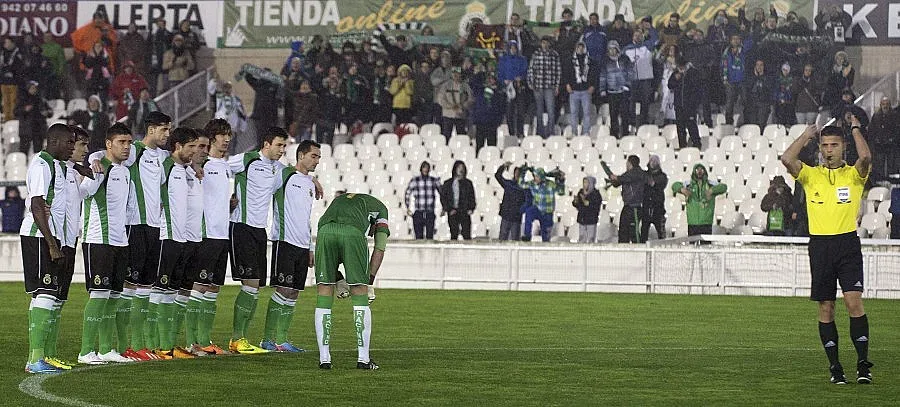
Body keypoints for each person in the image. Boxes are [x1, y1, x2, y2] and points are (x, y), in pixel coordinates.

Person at [781, 123, 874, 385]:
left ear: (843, 147)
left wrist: (855, 130)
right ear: (820, 148)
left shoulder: (853, 175)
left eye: (834, 145)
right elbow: (787, 159)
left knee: (853, 302)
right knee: (826, 307)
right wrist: (806, 136)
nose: (829, 150)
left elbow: (866, 157)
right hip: (820, 246)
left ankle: (863, 365)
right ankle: (835, 367)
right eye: (825, 145)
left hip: (847, 243)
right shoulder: (811, 175)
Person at [103, 110, 171, 362]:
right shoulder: (134, 151)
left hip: (154, 227)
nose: (167, 134)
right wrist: (94, 162)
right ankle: (123, 346)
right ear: (151, 129)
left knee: (145, 288)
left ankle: (139, 345)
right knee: (128, 287)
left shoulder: (160, 156)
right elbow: (104, 155)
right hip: (135, 225)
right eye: (164, 129)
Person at [77, 123, 135, 365]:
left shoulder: (126, 172)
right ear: (109, 144)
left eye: (129, 142)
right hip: (98, 240)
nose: (127, 147)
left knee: (114, 296)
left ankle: (105, 349)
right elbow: (82, 194)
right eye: (122, 142)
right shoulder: (99, 167)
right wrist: (93, 169)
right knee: (99, 295)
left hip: (120, 241)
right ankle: (85, 351)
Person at [227, 127, 288, 354]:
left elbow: (296, 175)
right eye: (279, 145)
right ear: (266, 144)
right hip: (241, 227)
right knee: (250, 285)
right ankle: (236, 339)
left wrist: (313, 180)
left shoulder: (279, 169)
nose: (282, 150)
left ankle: (241, 339)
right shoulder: (247, 160)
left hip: (259, 230)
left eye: (284, 146)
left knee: (255, 288)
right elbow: (217, 168)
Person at [20, 123, 75, 374]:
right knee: (45, 293)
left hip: (51, 237)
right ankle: (35, 360)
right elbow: (37, 204)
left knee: (45, 295)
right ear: (54, 141)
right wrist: (52, 244)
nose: (72, 147)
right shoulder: (42, 165)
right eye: (69, 142)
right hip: (39, 236)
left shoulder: (57, 166)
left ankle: (41, 356)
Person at [314, 192, 389, 370]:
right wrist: (369, 281)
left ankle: (324, 359)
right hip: (353, 234)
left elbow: (325, 236)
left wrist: (337, 278)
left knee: (324, 293)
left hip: (324, 232)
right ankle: (363, 359)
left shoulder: (339, 202)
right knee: (359, 296)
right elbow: (380, 247)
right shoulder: (381, 209)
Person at [260, 140, 320, 353]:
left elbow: (306, 218)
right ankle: (267, 339)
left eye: (319, 157)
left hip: (303, 245)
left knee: (294, 292)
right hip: (285, 241)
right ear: (301, 155)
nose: (317, 161)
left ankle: (282, 340)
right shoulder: (284, 175)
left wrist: (310, 247)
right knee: (283, 289)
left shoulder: (310, 184)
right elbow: (262, 189)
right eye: (313, 156)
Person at [146, 127, 200, 360]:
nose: (194, 151)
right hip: (165, 237)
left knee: (170, 293)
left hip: (181, 238)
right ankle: (151, 346)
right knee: (157, 291)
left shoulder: (186, 170)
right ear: (178, 146)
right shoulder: (164, 166)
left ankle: (167, 345)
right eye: (191, 147)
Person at [183, 119, 234, 356]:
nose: (227, 139)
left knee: (213, 289)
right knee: (199, 286)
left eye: (229, 135)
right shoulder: (198, 165)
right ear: (212, 139)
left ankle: (205, 340)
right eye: (222, 135)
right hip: (206, 234)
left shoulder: (226, 166)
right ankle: (191, 342)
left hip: (222, 234)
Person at [47, 127, 91, 370]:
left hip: (70, 241)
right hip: (56, 242)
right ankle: (40, 355)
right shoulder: (54, 169)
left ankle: (49, 353)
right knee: (47, 297)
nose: (82, 149)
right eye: (79, 144)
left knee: (59, 300)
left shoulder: (72, 172)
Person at [671, 164, 727, 235]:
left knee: (705, 242)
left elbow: (724, 187)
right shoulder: (688, 185)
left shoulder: (710, 184)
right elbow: (674, 186)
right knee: (693, 242)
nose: (699, 172)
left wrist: (712, 190)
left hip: (706, 222)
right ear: (694, 171)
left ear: (705, 171)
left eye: (701, 170)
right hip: (692, 223)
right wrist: (682, 189)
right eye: (697, 169)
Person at [527, 36, 561, 138]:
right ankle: (540, 132)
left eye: (546, 43)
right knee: (539, 111)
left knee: (551, 111)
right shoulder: (536, 54)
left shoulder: (554, 55)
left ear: (549, 44)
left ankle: (550, 132)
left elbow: (558, 71)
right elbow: (531, 69)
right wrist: (530, 82)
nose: (545, 45)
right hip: (538, 86)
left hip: (550, 86)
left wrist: (557, 86)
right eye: (543, 43)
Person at [520, 167, 565, 242]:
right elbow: (521, 184)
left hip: (547, 213)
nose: (535, 178)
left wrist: (561, 181)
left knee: (546, 235)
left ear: (541, 177)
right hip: (537, 209)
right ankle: (527, 236)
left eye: (537, 176)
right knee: (529, 211)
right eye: (535, 176)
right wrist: (524, 171)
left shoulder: (550, 184)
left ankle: (545, 243)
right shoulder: (532, 183)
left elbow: (561, 192)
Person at [623, 30, 657, 127]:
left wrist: (649, 28)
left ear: (643, 37)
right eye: (635, 35)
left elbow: (656, 39)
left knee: (645, 101)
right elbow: (622, 63)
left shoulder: (647, 46)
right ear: (632, 37)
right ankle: (632, 123)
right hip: (633, 79)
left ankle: (643, 123)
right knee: (632, 101)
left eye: (639, 35)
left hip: (645, 79)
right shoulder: (627, 49)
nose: (637, 37)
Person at [598, 40, 632, 138]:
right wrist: (602, 89)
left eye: (614, 49)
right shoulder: (605, 61)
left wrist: (627, 85)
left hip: (623, 91)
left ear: (617, 49)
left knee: (625, 114)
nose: (612, 51)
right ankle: (614, 135)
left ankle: (625, 134)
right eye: (610, 49)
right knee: (613, 115)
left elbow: (630, 72)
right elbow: (603, 76)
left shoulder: (625, 59)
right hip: (612, 92)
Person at [610, 155, 647, 243]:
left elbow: (625, 178)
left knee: (634, 231)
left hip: (635, 206)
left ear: (629, 163)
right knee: (623, 230)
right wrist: (614, 179)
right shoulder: (628, 174)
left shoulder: (638, 173)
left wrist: (616, 178)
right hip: (628, 206)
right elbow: (618, 183)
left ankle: (638, 248)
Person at [668, 57, 702, 149]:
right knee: (680, 128)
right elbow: (670, 85)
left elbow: (697, 89)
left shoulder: (693, 72)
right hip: (679, 106)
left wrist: (694, 103)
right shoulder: (676, 73)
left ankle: (697, 145)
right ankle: (682, 147)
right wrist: (675, 78)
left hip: (690, 106)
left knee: (692, 126)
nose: (680, 68)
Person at [564, 42, 595, 137]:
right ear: (576, 48)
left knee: (586, 113)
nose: (580, 49)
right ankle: (574, 132)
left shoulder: (590, 61)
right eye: (579, 47)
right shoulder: (570, 60)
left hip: (586, 91)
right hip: (574, 91)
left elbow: (594, 74)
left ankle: (586, 132)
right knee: (573, 113)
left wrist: (592, 85)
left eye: (582, 48)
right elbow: (566, 73)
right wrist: (567, 84)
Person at [469, 71, 507, 151]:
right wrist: (480, 71)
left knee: (492, 148)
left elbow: (502, 108)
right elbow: (472, 83)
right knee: (479, 147)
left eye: (492, 79)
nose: (489, 80)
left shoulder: (498, 93)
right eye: (488, 78)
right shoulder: (479, 90)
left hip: (492, 123)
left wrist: (498, 121)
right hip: (480, 122)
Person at [498, 41, 529, 138]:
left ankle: (520, 132)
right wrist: (504, 81)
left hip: (519, 87)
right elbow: (499, 73)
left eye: (514, 48)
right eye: (511, 48)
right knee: (509, 112)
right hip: (508, 88)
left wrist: (521, 78)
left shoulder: (522, 59)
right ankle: (511, 132)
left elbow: (526, 72)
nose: (513, 50)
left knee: (521, 111)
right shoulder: (503, 60)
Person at [440, 161, 476, 240]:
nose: (461, 170)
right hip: (453, 211)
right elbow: (443, 198)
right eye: (459, 167)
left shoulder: (468, 183)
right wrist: (448, 209)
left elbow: (471, 197)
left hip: (464, 211)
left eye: (462, 168)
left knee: (466, 234)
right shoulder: (448, 183)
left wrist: (471, 208)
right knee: (454, 233)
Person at [405, 161, 441, 240]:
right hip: (418, 212)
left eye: (427, 167)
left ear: (429, 169)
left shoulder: (434, 180)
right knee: (418, 237)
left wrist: (444, 207)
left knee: (429, 237)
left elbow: (442, 193)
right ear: (421, 169)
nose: (425, 169)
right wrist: (408, 207)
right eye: (424, 167)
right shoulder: (415, 180)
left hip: (430, 212)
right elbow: (407, 193)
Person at [722, 35, 753, 125]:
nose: (735, 41)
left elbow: (750, 42)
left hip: (742, 80)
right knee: (729, 103)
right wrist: (724, 78)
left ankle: (747, 122)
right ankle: (729, 123)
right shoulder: (726, 52)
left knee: (745, 101)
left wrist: (744, 32)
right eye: (733, 39)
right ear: (730, 41)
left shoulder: (743, 50)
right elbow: (723, 66)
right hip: (730, 81)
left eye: (737, 39)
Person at [15, 81, 51, 155]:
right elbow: (15, 112)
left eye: (35, 88)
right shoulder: (22, 100)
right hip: (26, 129)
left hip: (38, 129)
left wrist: (47, 113)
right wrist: (25, 109)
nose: (34, 90)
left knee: (38, 152)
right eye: (32, 88)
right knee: (23, 152)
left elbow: (50, 111)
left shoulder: (41, 100)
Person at [437, 67, 471, 140]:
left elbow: (470, 99)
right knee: (446, 135)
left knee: (461, 135)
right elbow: (440, 99)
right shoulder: (445, 85)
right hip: (448, 114)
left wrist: (462, 106)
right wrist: (450, 106)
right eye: (454, 73)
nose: (455, 75)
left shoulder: (465, 86)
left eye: (457, 73)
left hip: (461, 114)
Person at [642, 155, 668, 241]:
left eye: (655, 161)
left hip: (658, 209)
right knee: (643, 233)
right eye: (651, 161)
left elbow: (657, 184)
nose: (653, 163)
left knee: (661, 234)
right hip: (646, 208)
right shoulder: (645, 174)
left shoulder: (663, 176)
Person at [743, 60, 773, 128]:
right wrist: (755, 77)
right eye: (757, 65)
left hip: (763, 104)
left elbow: (769, 89)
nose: (759, 67)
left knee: (761, 124)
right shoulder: (750, 77)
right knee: (752, 125)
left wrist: (761, 77)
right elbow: (748, 88)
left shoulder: (768, 78)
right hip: (752, 105)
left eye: (761, 65)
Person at [573, 176, 602, 243]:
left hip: (591, 220)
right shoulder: (581, 192)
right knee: (581, 238)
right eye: (584, 182)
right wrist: (575, 202)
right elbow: (578, 206)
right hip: (582, 219)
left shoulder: (596, 194)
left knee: (590, 239)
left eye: (586, 182)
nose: (584, 184)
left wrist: (585, 201)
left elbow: (595, 206)